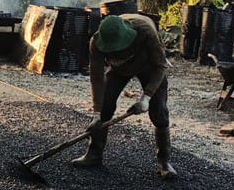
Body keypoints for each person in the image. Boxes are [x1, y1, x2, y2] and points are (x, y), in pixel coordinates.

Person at [72, 13, 177, 180]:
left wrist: (146, 98)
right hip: (119, 70)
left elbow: (160, 66)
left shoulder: (146, 32)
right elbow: (97, 77)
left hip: (149, 67)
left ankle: (164, 162)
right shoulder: (96, 42)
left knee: (159, 112)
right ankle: (94, 155)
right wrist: (97, 113)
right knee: (105, 105)